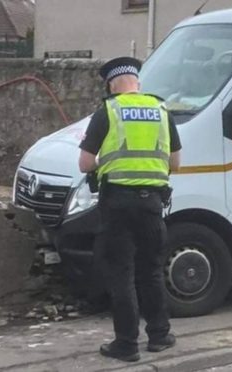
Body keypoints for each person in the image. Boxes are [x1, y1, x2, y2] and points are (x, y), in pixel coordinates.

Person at [78, 57, 182, 362]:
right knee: (150, 270)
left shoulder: (108, 111)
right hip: (152, 204)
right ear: (137, 82)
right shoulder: (162, 111)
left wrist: (107, 165)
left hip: (117, 206)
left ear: (112, 83)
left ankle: (126, 344)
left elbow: (85, 163)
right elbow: (175, 163)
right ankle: (160, 336)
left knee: (121, 273)